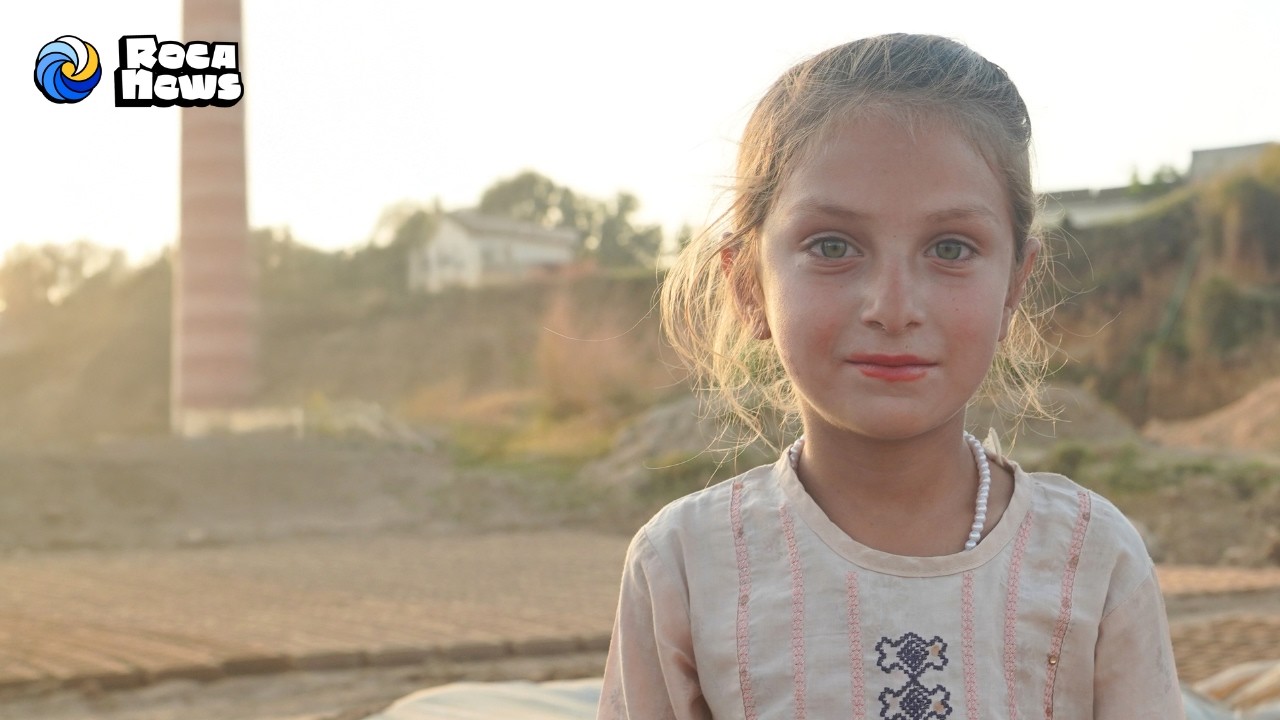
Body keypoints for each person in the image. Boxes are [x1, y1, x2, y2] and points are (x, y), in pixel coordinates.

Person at [597, 34, 1184, 719]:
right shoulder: (683, 569)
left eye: (951, 248)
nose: (894, 308)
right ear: (749, 286)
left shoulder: (1091, 560)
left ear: (1013, 289)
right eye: (833, 247)